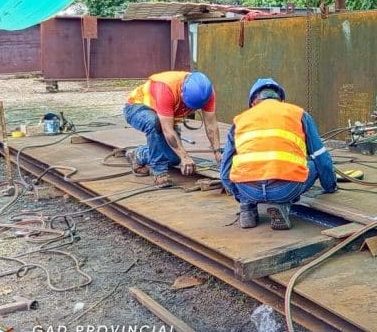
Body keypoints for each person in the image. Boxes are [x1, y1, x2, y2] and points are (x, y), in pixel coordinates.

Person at [220, 78, 337, 230]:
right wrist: (330, 186)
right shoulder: (298, 114)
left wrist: (242, 196)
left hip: (249, 190)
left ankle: (247, 208)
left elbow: (224, 172)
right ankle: (282, 205)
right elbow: (321, 158)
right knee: (314, 165)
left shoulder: (239, 120)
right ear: (280, 99)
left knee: (236, 168)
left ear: (253, 102)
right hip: (284, 190)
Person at [124, 70, 222, 185]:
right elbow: (167, 130)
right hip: (137, 108)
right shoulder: (166, 88)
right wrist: (185, 156)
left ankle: (138, 154)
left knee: (175, 158)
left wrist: (218, 152)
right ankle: (159, 171)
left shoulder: (206, 94)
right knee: (154, 123)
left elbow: (211, 125)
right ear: (182, 91)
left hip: (164, 117)